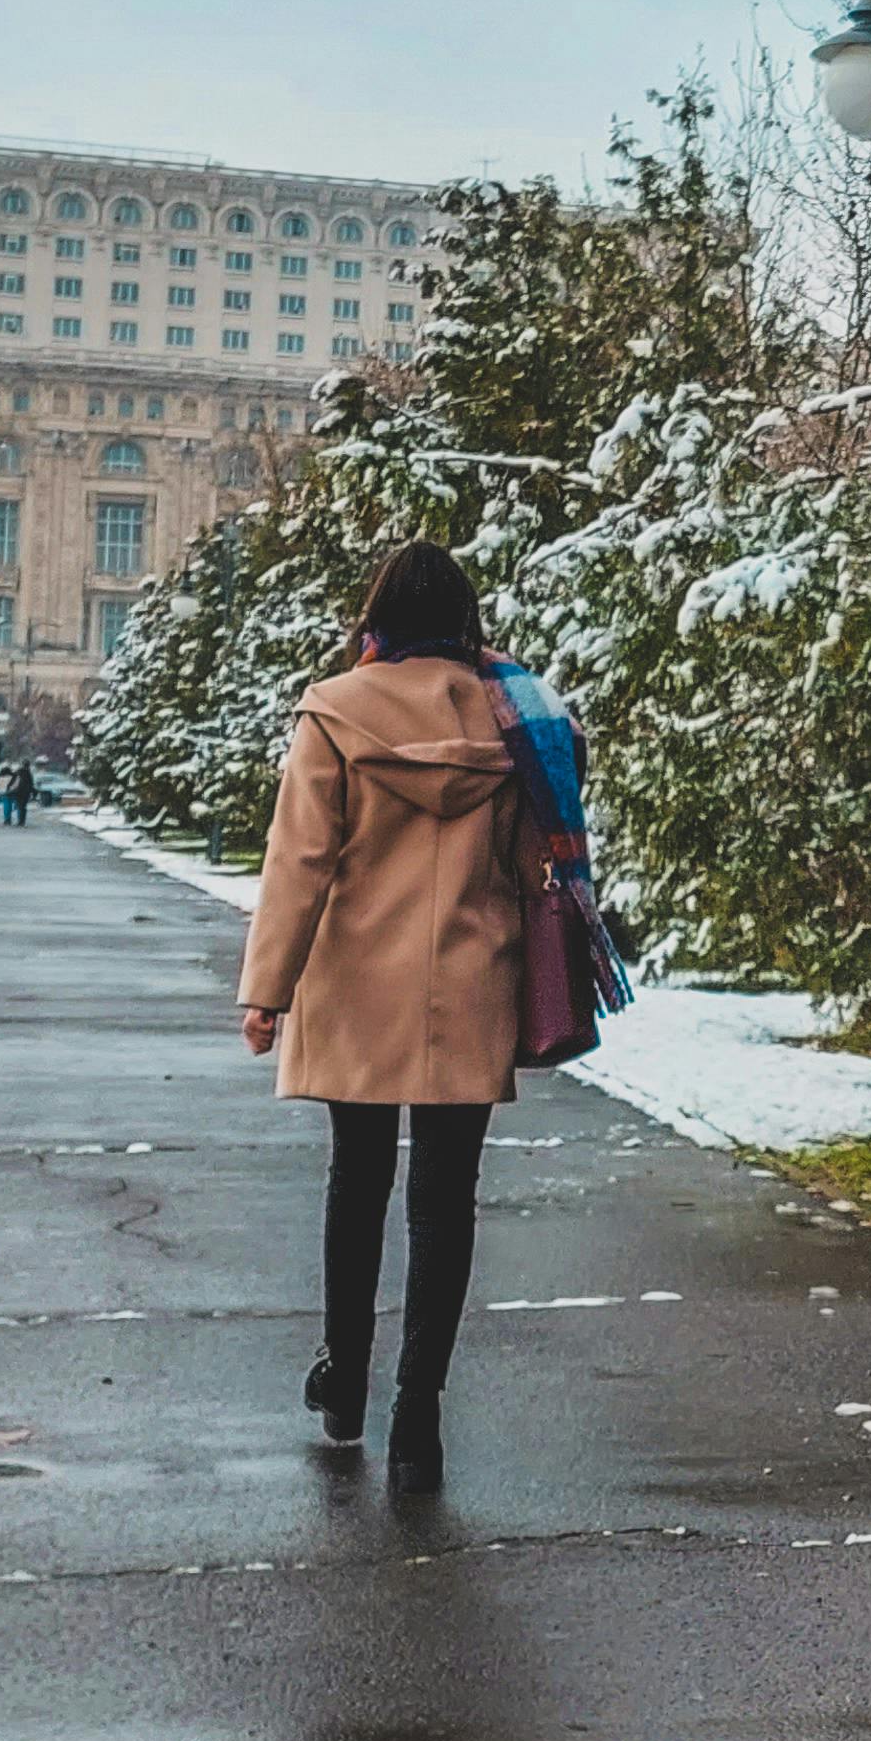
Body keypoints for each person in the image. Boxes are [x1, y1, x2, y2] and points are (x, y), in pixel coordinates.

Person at [235, 538, 575, 1495]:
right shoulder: (513, 717)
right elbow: (528, 865)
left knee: (358, 1181)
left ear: (376, 616)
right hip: (470, 978)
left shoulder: (336, 710)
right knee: (444, 1201)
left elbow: (298, 861)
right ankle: (418, 1412)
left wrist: (268, 989)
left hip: (354, 983)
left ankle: (344, 1378)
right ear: (465, 619)